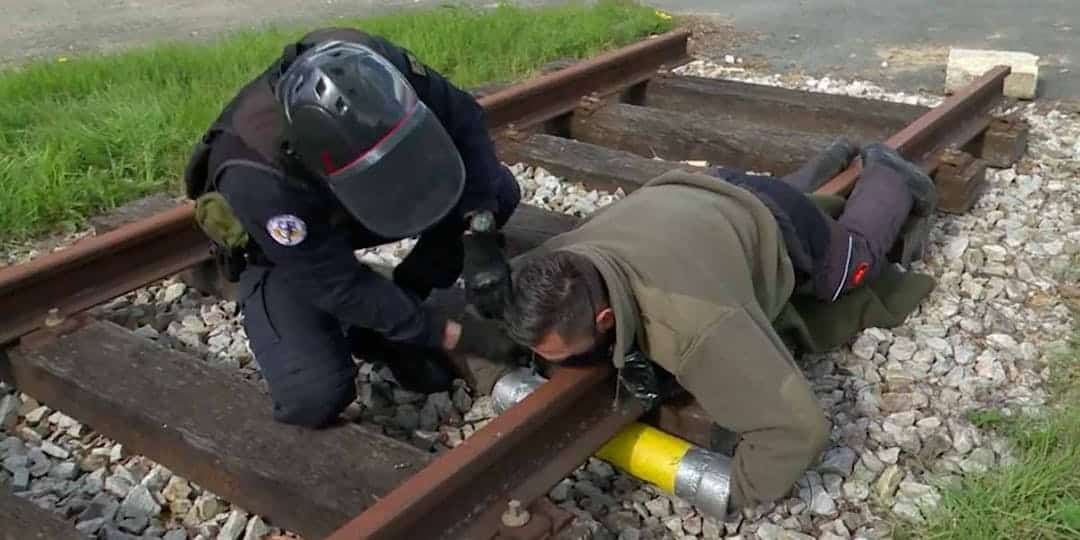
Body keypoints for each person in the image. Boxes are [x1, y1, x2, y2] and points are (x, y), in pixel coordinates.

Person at [501, 141, 937, 514]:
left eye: (562, 355)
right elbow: (477, 315)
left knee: (850, 269)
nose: (545, 363)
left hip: (772, 218)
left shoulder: (692, 326)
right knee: (777, 198)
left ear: (605, 319)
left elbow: (797, 431)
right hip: (694, 193)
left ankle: (888, 172)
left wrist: (733, 493)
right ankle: (835, 157)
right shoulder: (552, 267)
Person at [182, 27, 523, 429]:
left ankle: (401, 300)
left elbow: (465, 120)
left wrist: (479, 231)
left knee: (496, 190)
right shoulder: (257, 176)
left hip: (362, 200)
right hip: (294, 249)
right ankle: (382, 324)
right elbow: (334, 284)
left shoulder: (372, 66)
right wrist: (450, 334)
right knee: (313, 396)